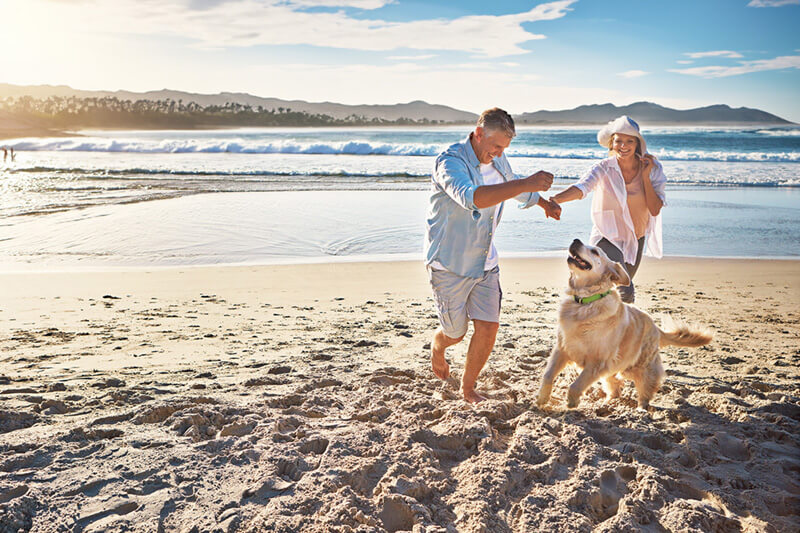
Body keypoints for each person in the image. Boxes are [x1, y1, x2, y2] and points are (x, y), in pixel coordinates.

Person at [424, 107, 561, 403]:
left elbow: (511, 185)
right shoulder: (449, 162)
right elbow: (472, 198)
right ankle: (439, 344)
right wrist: (526, 183)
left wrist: (542, 203)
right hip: (450, 263)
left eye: (505, 148)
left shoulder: (498, 159)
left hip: (486, 260)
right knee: (456, 333)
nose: (499, 153)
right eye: (496, 146)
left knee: (488, 328)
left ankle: (468, 387)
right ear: (478, 134)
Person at [548, 116, 666, 303]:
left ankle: (598, 321)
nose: (623, 145)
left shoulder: (653, 170)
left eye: (629, 141)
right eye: (618, 141)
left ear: (637, 144)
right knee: (625, 290)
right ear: (611, 144)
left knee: (614, 292)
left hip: (636, 238)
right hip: (608, 235)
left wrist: (644, 176)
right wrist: (556, 199)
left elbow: (654, 209)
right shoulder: (603, 168)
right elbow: (582, 187)